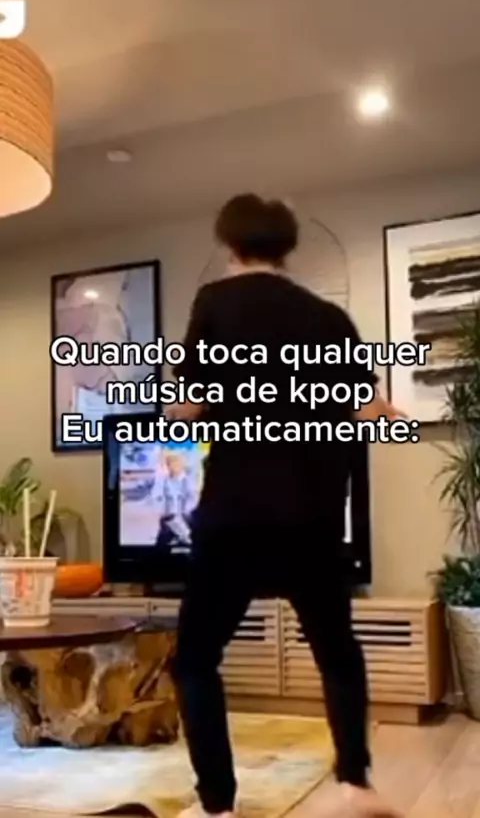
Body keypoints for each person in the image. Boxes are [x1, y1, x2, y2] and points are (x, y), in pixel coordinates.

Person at [167, 194, 404, 818]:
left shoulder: (214, 302)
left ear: (229, 244)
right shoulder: (330, 318)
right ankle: (355, 782)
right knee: (336, 649)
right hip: (315, 516)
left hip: (235, 512)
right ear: (288, 248)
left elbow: (187, 408)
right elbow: (372, 410)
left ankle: (218, 805)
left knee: (195, 659)